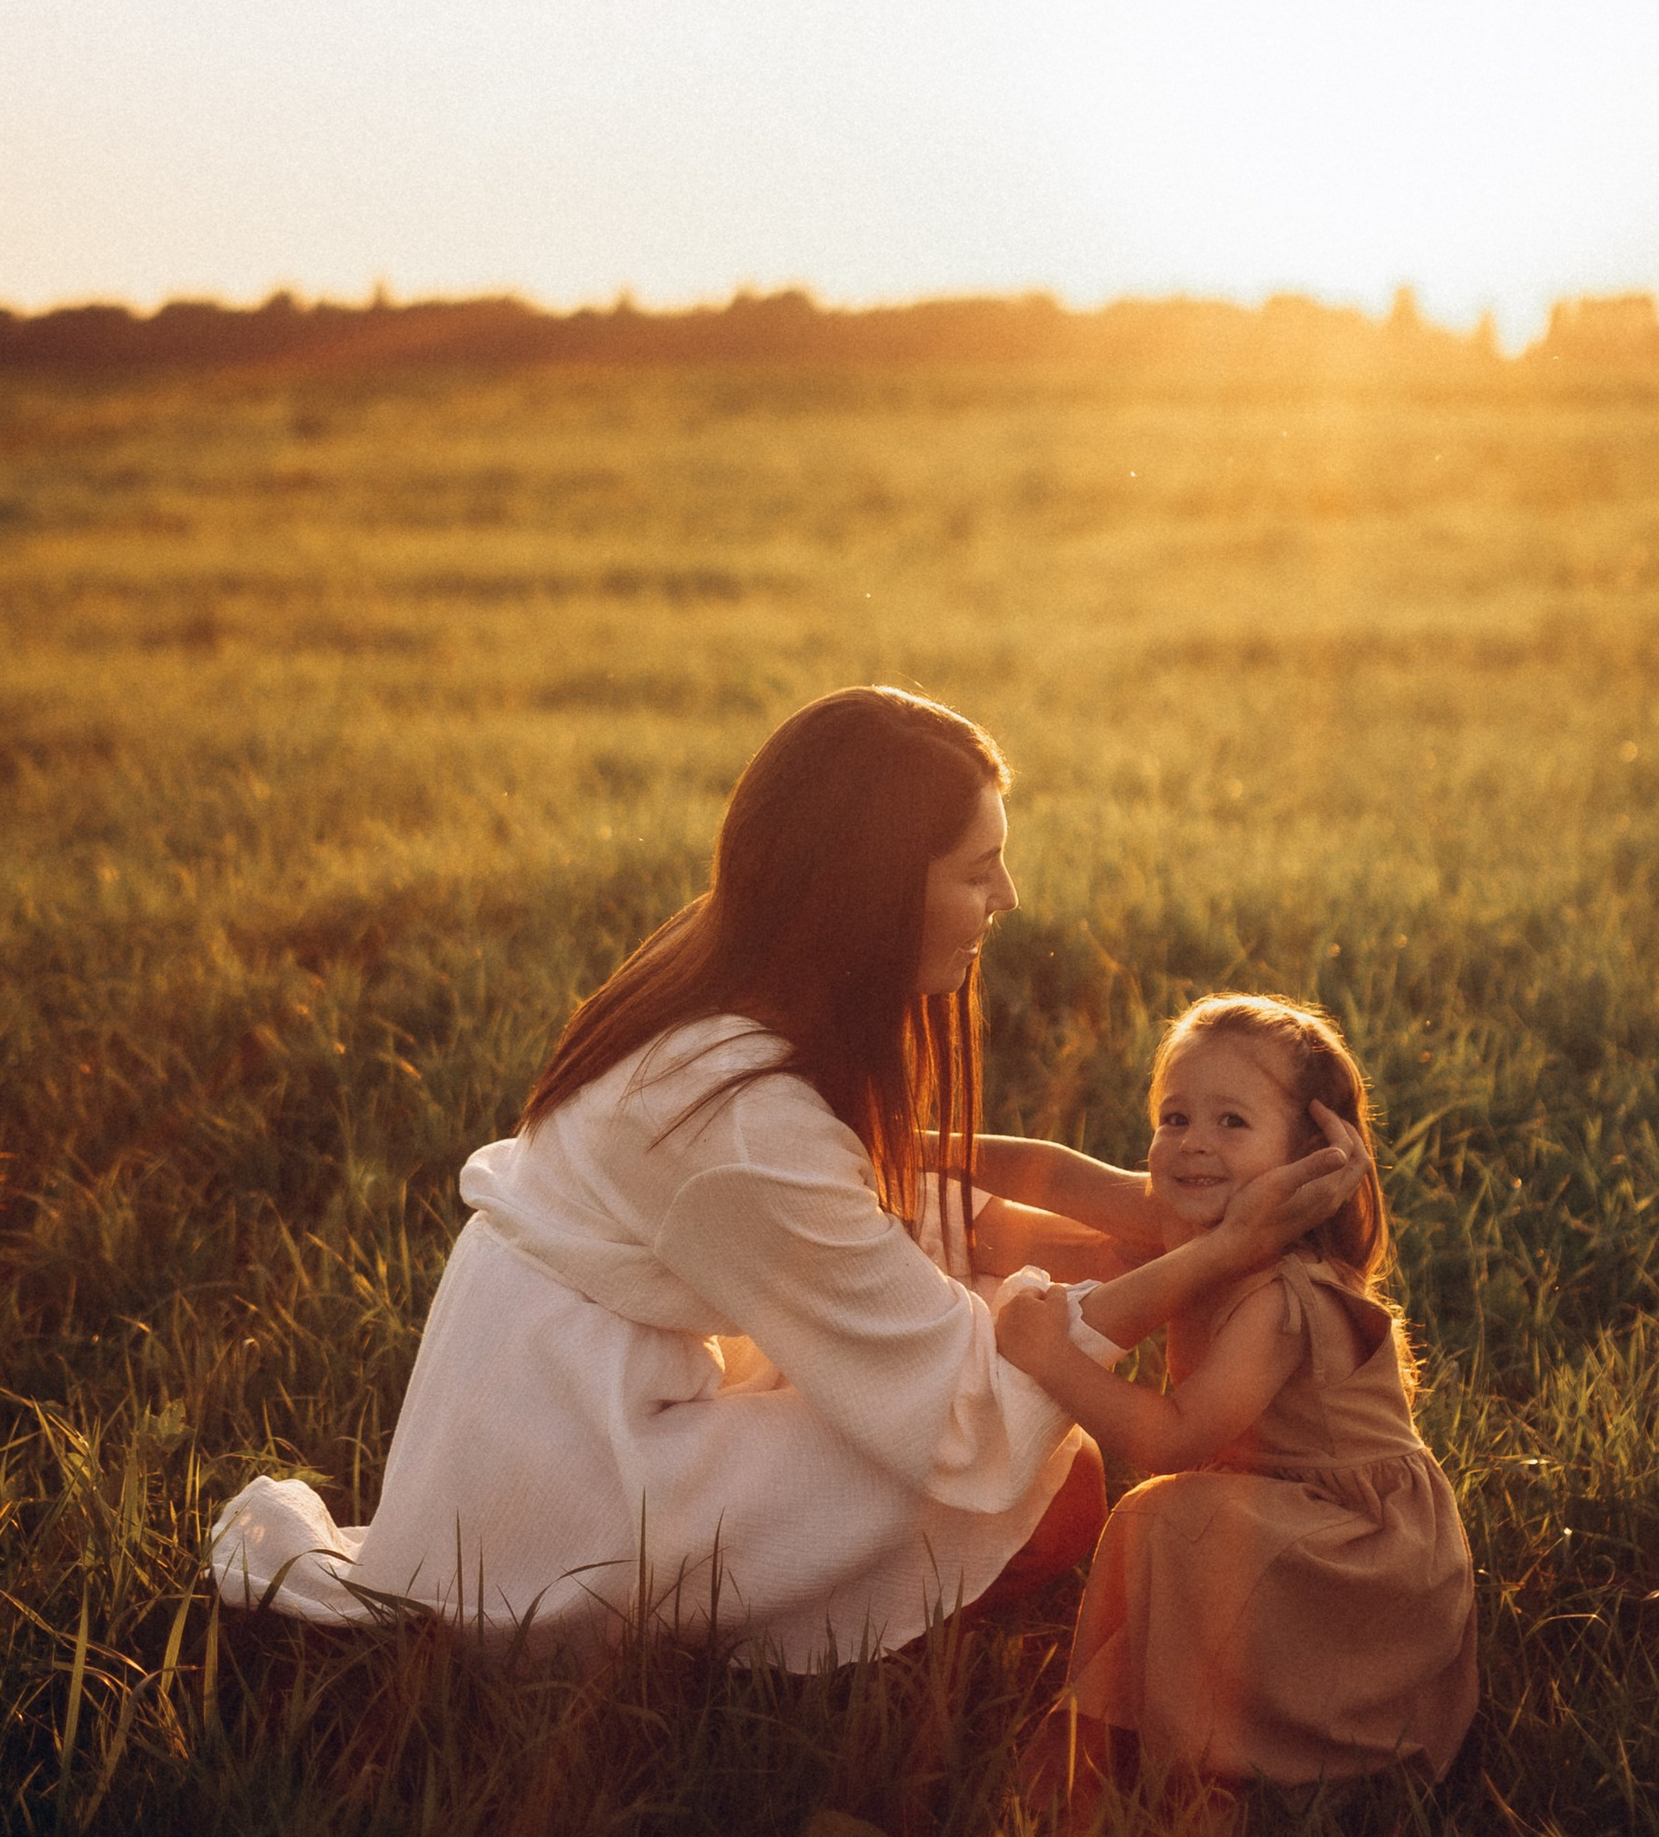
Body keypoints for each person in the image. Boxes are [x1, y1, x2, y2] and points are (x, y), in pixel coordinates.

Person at [210, 694, 1357, 1663]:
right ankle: (703, 1642)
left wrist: (1133, 1228)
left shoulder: (742, 978)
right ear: (873, 889)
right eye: (977, 867)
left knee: (992, 1452)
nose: (1005, 897)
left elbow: (882, 1218)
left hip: (569, 1390)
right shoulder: (745, 1119)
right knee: (1047, 1483)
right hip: (569, 1462)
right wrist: (1217, 1251)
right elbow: (968, 1406)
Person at [992, 993, 1478, 1783]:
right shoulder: (1195, 1218)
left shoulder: (1281, 1295)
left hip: (1363, 1553)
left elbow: (1178, 1438)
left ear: (1311, 1155)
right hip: (1281, 1507)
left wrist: (1053, 1359)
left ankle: (1179, 1748)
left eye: (1232, 1123)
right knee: (1176, 1526)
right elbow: (1049, 1172)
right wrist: (911, 1145)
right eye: (1175, 1118)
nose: (1194, 1147)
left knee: (1163, 1516)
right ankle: (1113, 1721)